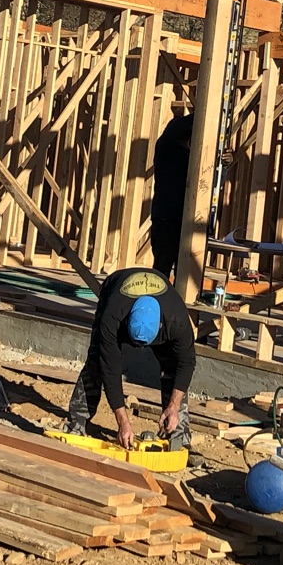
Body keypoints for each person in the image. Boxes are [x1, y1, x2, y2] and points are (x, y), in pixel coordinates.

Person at [64, 265, 197, 450]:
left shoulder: (177, 321)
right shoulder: (112, 318)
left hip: (163, 311)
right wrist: (123, 423)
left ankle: (179, 434)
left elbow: (186, 363)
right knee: (96, 363)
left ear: (160, 326)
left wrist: (173, 406)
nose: (140, 349)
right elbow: (110, 370)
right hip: (115, 288)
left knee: (173, 367)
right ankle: (76, 424)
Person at [147, 111, 194, 276]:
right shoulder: (167, 148)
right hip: (166, 219)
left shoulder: (196, 158)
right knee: (162, 270)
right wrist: (207, 115)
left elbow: (212, 183)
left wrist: (223, 165)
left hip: (190, 222)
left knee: (185, 275)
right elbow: (174, 130)